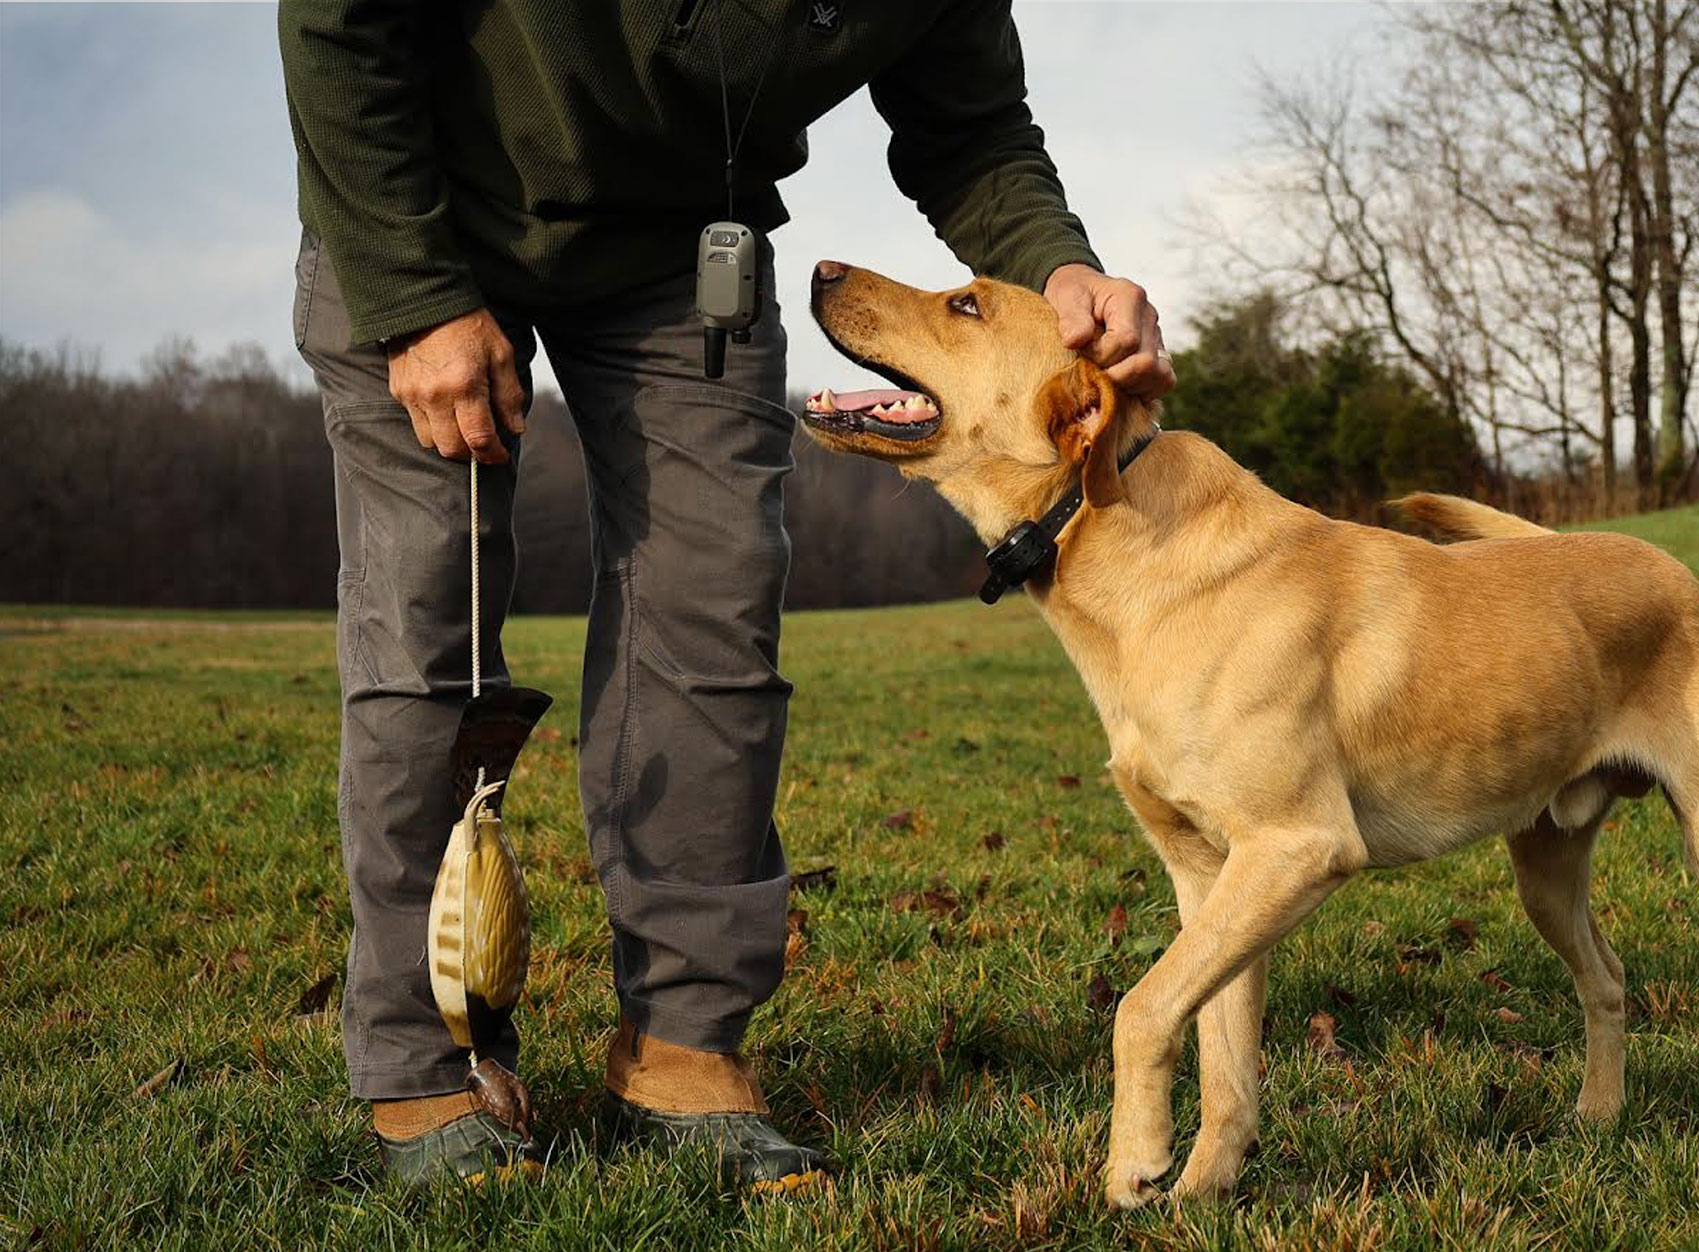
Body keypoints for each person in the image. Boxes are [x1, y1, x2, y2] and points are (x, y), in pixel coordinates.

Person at [278, 0, 1174, 1190]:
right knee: (424, 632)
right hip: (424, 202)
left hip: (684, 254)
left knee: (713, 624)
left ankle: (680, 1046)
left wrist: (1062, 268)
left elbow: (971, 129)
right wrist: (411, 297)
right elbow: (340, 21)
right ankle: (421, 1060)